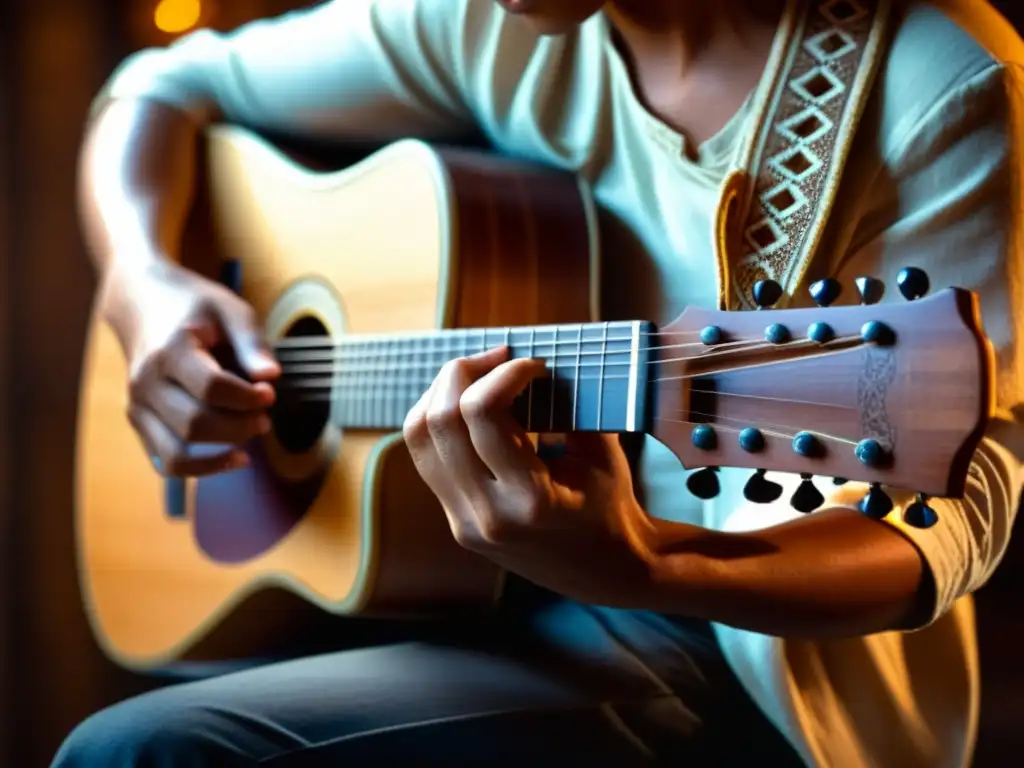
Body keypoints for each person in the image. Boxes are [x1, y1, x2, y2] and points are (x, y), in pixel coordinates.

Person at [53, 0, 1024, 765]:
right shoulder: (488, 17)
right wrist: (146, 283)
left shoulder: (934, 83)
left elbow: (951, 514)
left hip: (748, 655)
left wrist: (645, 563)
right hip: (468, 587)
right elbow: (160, 89)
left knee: (142, 750)